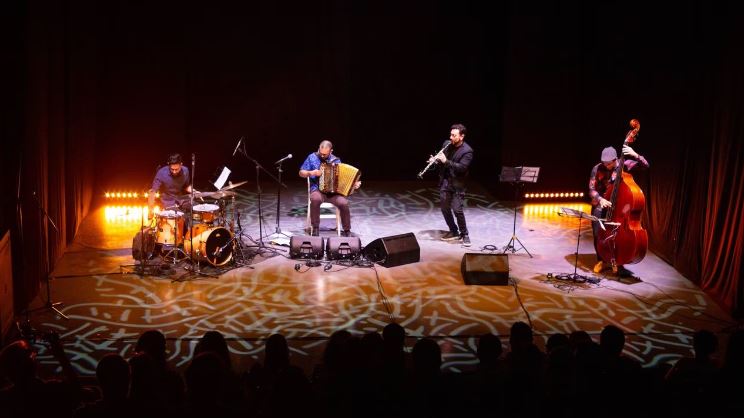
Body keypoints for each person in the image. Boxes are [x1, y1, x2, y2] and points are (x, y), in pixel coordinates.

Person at [588, 144, 649, 274]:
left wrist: (635, 154)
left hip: (617, 206)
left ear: (615, 159)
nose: (606, 166)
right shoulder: (597, 168)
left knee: (617, 234)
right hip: (600, 204)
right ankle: (600, 260)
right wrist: (600, 199)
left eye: (609, 163)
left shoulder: (624, 164)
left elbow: (645, 166)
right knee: (598, 233)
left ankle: (616, 260)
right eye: (604, 163)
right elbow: (591, 189)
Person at [299, 140, 360, 237]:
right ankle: (315, 228)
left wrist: (353, 184)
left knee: (344, 203)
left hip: (333, 193)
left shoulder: (336, 161)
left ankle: (347, 230)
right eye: (321, 153)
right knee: (315, 199)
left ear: (331, 151)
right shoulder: (312, 157)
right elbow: (301, 173)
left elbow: (342, 179)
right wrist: (311, 173)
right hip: (317, 190)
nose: (322, 155)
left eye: (325, 154)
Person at [429, 123, 474, 246]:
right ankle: (454, 231)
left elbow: (462, 168)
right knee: (444, 209)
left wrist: (446, 161)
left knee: (457, 209)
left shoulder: (467, 151)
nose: (451, 137)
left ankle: (464, 234)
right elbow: (442, 162)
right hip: (445, 182)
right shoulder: (447, 144)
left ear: (462, 136)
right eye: (451, 134)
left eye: (454, 135)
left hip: (458, 184)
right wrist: (435, 161)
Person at [148, 153, 194, 217]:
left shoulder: (185, 171)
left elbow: (186, 186)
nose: (174, 172)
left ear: (181, 165)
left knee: (195, 208)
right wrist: (150, 209)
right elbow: (153, 191)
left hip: (180, 199)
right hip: (167, 201)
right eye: (172, 169)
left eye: (176, 169)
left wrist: (193, 191)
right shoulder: (161, 173)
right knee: (176, 217)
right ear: (168, 165)